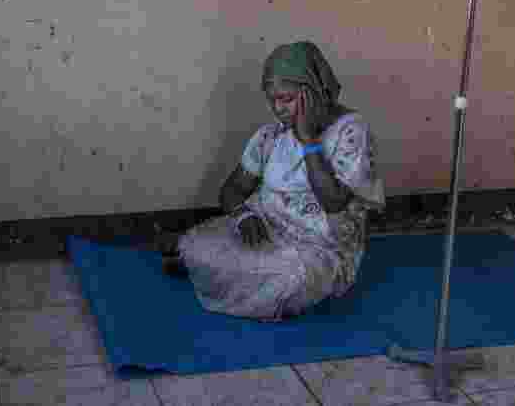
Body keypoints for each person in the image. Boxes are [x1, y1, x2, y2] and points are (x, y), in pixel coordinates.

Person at [157, 41, 385, 322]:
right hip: (269, 231)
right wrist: (243, 217)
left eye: (287, 99)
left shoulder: (351, 132)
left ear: (313, 91)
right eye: (272, 100)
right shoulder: (271, 135)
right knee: (198, 247)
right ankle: (204, 262)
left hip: (321, 250)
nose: (278, 109)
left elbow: (334, 201)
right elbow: (232, 190)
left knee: (290, 280)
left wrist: (309, 141)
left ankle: (208, 270)